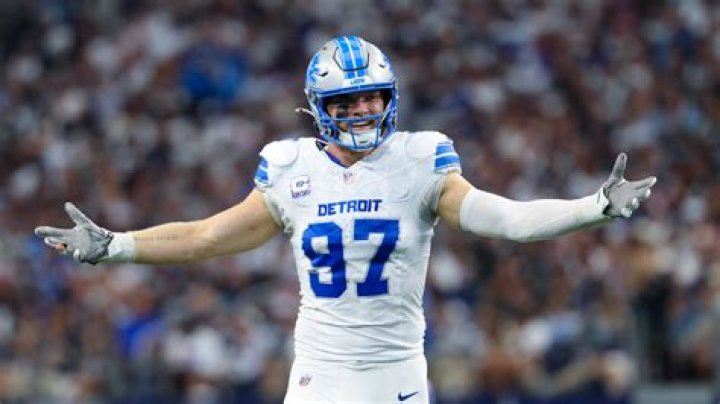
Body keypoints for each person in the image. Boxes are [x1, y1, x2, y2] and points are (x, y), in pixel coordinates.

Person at [34, 35, 656, 403]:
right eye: (347, 100)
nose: (362, 109)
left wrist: (593, 207)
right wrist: (115, 245)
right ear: (320, 107)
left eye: (371, 96)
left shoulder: (420, 160)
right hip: (320, 375)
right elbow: (204, 237)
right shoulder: (290, 169)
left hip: (396, 372)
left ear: (389, 96)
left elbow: (508, 219)